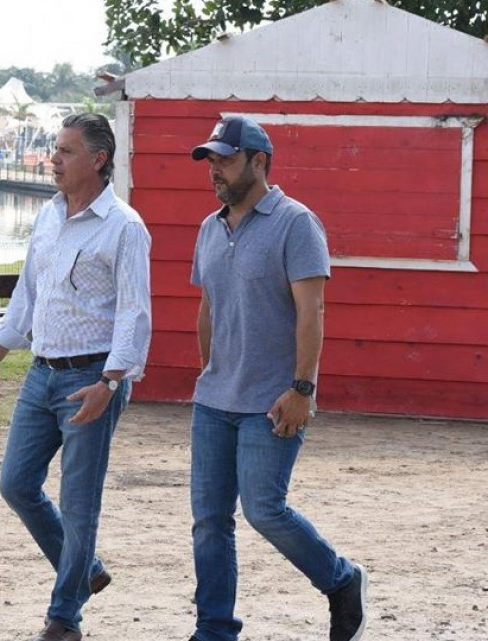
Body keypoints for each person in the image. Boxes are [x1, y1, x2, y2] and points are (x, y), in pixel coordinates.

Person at [186, 115, 368, 641]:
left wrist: (302, 389)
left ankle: (340, 579)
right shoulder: (209, 227)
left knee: (264, 510)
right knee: (209, 522)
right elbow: (208, 308)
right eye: (211, 161)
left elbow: (313, 313)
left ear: (258, 161)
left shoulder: (296, 223)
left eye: (224, 159)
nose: (215, 170)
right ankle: (214, 629)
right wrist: (208, 373)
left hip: (273, 401)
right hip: (214, 400)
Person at [0, 113, 152, 641]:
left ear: (98, 160)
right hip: (40, 374)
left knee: (79, 502)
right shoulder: (48, 216)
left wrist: (112, 382)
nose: (53, 159)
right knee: (16, 484)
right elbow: (28, 294)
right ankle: (85, 569)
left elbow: (135, 315)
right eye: (55, 149)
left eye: (66, 151)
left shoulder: (124, 226)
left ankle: (64, 618)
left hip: (92, 379)